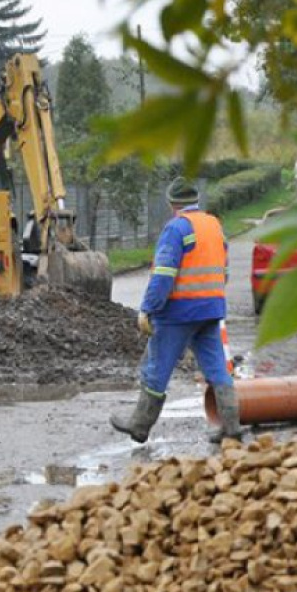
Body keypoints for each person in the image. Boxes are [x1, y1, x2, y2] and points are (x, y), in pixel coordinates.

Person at [110, 179, 242, 444]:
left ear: (172, 203)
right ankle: (232, 427)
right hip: (211, 308)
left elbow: (163, 276)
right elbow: (224, 270)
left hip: (178, 312)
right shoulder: (213, 225)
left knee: (156, 366)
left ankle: (140, 425)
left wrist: (147, 309)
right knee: (217, 368)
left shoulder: (176, 228)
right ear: (196, 200)